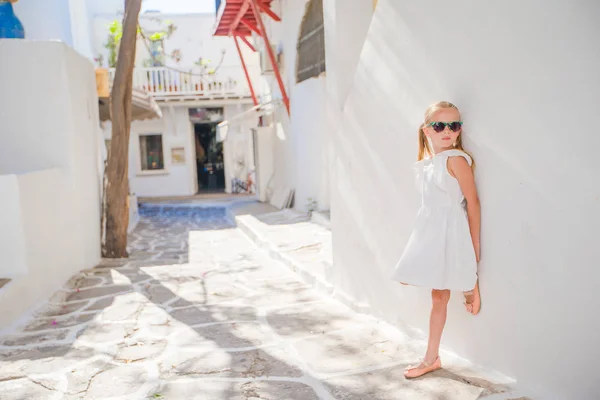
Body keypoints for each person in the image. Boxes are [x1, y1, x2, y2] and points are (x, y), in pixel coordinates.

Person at [391, 101, 481, 379]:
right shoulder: (429, 164)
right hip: (430, 232)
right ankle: (433, 357)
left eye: (454, 125)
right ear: (427, 130)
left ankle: (470, 285)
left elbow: (473, 204)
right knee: (432, 290)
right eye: (440, 125)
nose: (447, 131)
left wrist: (475, 248)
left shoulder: (456, 160)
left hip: (451, 232)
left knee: (441, 290)